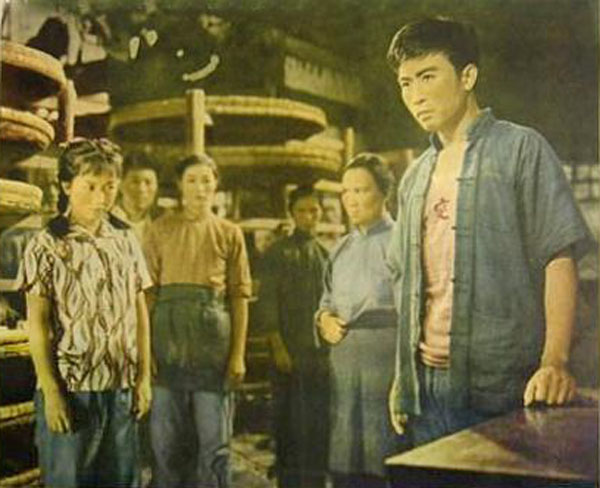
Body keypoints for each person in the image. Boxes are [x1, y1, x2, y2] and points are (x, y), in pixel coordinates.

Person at [386, 17, 595, 446]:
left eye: (428, 76)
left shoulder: (521, 150)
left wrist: (554, 362)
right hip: (425, 393)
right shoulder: (414, 177)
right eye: (406, 83)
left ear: (468, 76)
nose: (415, 94)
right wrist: (401, 378)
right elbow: (407, 285)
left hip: (504, 387)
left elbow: (558, 258)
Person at [18, 138, 152, 488]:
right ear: (66, 185)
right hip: (72, 390)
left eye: (109, 187)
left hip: (120, 389)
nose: (101, 197)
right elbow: (38, 324)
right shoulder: (46, 244)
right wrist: (52, 392)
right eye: (90, 186)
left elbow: (139, 313)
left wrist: (143, 379)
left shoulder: (125, 240)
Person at [143, 154, 251, 488]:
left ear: (216, 184)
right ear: (179, 185)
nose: (200, 188)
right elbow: (146, 297)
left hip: (213, 350)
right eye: (191, 180)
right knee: (165, 443)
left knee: (215, 444)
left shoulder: (230, 233)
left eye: (206, 180)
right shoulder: (159, 229)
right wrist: (146, 354)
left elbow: (239, 298)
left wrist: (237, 355)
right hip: (166, 345)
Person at [316, 153, 403, 488]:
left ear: (384, 193)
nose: (351, 200)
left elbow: (416, 308)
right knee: (344, 455)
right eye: (346, 192)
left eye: (361, 190)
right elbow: (326, 300)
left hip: (385, 358)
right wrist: (324, 319)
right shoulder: (340, 249)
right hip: (344, 360)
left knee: (383, 451)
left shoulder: (401, 242)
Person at [260, 185, 330, 488]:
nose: (308, 217)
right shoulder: (278, 253)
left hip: (319, 355)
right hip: (288, 352)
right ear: (292, 214)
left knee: (317, 424)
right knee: (288, 424)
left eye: (314, 210)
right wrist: (278, 346)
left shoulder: (327, 254)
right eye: (302, 211)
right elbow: (268, 303)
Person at [111, 150, 161, 242]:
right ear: (120, 184)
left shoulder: (162, 223)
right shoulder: (106, 221)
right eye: (135, 182)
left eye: (148, 182)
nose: (142, 189)